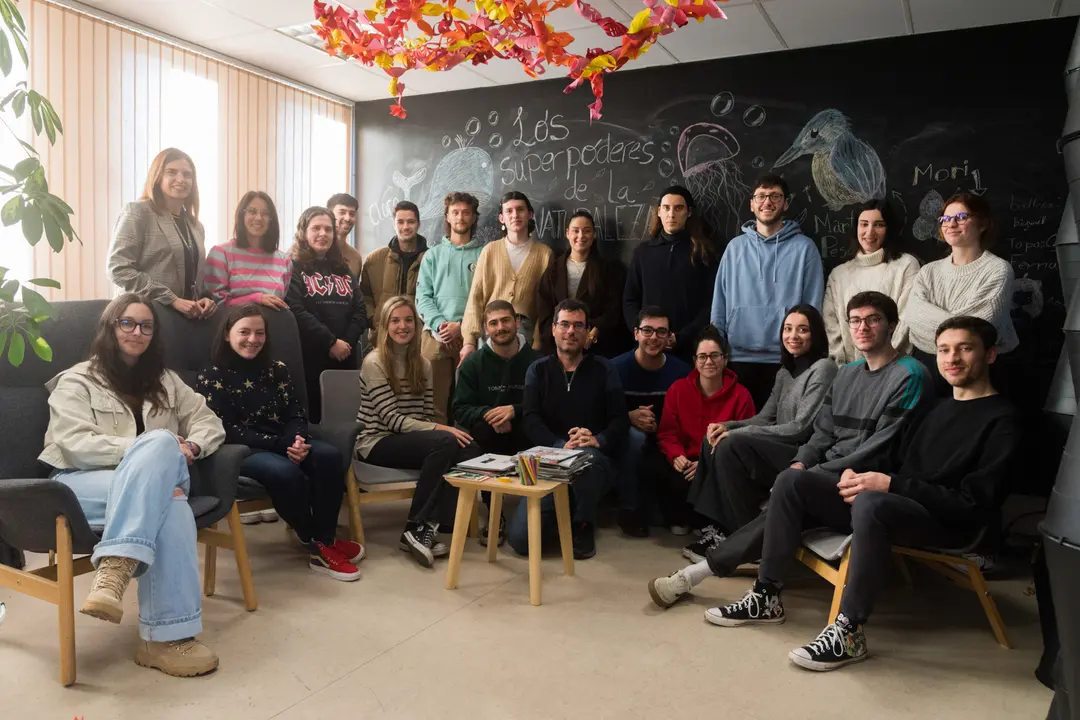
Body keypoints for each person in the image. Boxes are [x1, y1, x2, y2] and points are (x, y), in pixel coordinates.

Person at [697, 316, 1018, 672]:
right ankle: (767, 594)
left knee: (872, 501)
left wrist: (889, 484)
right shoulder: (935, 408)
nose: (952, 358)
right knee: (793, 481)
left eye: (965, 348)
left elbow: (973, 505)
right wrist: (860, 474)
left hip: (947, 522)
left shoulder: (1003, 421)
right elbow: (893, 459)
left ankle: (849, 630)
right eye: (944, 349)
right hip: (896, 503)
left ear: (990, 354)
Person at [649, 291, 934, 611]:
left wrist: (810, 474)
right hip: (827, 477)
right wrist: (801, 464)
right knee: (784, 480)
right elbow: (822, 434)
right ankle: (729, 578)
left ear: (892, 325)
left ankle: (711, 577)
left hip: (862, 484)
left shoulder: (909, 375)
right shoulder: (847, 374)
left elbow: (880, 449)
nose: (862, 327)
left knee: (788, 486)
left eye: (873, 320)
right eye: (855, 320)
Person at [40, 294, 226, 677]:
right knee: (162, 464)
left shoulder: (167, 382)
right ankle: (167, 635)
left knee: (172, 503)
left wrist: (191, 445)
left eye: (146, 325)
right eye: (127, 323)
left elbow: (210, 422)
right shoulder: (76, 381)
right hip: (78, 484)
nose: (136, 332)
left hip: (151, 490)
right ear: (110, 327)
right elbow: (74, 444)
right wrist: (147, 449)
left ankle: (119, 571)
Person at [196, 305, 363, 582]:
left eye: (259, 333)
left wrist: (296, 439)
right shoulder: (212, 375)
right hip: (242, 450)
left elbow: (296, 412)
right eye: (244, 332)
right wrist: (281, 446)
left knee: (330, 456)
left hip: (283, 441)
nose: (253, 339)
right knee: (285, 472)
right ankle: (315, 542)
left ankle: (325, 539)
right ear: (227, 335)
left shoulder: (277, 370)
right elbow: (226, 429)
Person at [682, 305, 835, 562]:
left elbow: (801, 427)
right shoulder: (785, 372)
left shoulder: (824, 368)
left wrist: (738, 435)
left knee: (732, 446)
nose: (793, 335)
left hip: (803, 453)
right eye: (788, 329)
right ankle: (721, 528)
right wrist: (726, 426)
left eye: (802, 329)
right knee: (714, 438)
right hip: (780, 447)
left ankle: (748, 545)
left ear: (816, 334)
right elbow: (764, 418)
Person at [355, 296, 481, 568]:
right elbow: (391, 420)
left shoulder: (422, 363)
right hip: (376, 441)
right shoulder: (373, 361)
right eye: (396, 320)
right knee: (445, 440)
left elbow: (424, 414)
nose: (403, 326)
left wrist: (438, 429)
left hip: (410, 439)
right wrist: (440, 428)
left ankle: (442, 522)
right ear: (385, 325)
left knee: (468, 446)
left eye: (409, 320)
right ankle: (416, 526)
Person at [516, 299, 629, 559]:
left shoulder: (604, 369)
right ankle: (563, 512)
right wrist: (559, 446)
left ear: (588, 331)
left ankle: (583, 524)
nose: (571, 331)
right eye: (564, 324)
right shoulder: (537, 370)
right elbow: (530, 419)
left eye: (578, 325)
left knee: (585, 460)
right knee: (522, 541)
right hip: (549, 462)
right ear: (553, 329)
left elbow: (620, 419)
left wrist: (597, 439)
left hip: (594, 460)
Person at [710, 173, 824, 409]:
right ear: (751, 204)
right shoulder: (735, 248)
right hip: (737, 358)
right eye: (761, 196)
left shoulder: (805, 248)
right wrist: (717, 348)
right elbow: (719, 302)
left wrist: (804, 353)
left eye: (774, 196)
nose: (767, 202)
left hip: (786, 359)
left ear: (785, 203)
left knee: (778, 431)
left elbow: (812, 308)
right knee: (737, 429)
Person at [894, 192, 1018, 395]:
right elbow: (914, 318)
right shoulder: (928, 272)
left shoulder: (998, 270)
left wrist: (934, 327)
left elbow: (980, 326)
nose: (951, 224)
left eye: (961, 217)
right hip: (928, 368)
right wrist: (958, 326)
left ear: (983, 224)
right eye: (945, 218)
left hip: (981, 369)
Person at [452, 300, 542, 547]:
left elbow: (547, 404)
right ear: (485, 329)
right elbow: (460, 409)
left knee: (540, 430)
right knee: (482, 432)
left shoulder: (537, 360)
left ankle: (534, 512)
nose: (500, 327)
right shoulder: (473, 363)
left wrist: (514, 410)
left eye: (505, 320)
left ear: (516, 322)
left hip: (527, 430)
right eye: (493, 323)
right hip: (490, 434)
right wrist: (490, 414)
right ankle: (495, 516)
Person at [649, 327, 755, 532]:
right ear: (695, 361)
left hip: (718, 465)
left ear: (725, 359)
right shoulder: (678, 390)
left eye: (715, 356)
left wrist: (706, 463)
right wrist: (676, 456)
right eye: (703, 356)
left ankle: (706, 524)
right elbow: (667, 433)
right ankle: (681, 519)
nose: (709, 362)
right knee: (658, 466)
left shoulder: (742, 395)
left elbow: (745, 439)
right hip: (685, 462)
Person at [107, 148, 216, 320]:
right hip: (141, 318)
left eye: (187, 175)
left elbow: (192, 277)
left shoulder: (196, 226)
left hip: (185, 321)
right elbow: (118, 269)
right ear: (158, 177)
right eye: (172, 172)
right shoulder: (138, 212)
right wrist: (170, 298)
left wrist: (205, 298)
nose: (180, 179)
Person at [611, 307, 690, 537]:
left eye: (661, 332)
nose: (654, 337)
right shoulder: (614, 368)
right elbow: (598, 413)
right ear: (636, 333)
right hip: (627, 441)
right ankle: (630, 509)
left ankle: (661, 507)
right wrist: (629, 416)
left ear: (669, 337)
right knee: (634, 438)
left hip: (667, 440)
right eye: (647, 330)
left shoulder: (682, 372)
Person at [286, 206, 368, 424]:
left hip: (345, 357)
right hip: (310, 359)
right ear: (303, 232)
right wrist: (330, 342)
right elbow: (296, 310)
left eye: (328, 229)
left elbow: (360, 309)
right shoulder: (292, 267)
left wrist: (345, 344)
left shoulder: (343, 269)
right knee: (313, 423)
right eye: (316, 228)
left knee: (344, 423)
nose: (323, 234)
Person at [624, 185, 716, 363]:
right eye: (666, 208)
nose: (671, 214)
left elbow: (710, 305)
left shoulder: (703, 254)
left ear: (689, 212)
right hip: (646, 350)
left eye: (678, 208)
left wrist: (681, 337)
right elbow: (629, 300)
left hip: (689, 349)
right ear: (658, 212)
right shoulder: (643, 253)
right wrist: (644, 333)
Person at [415, 192, 484, 424]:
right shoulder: (432, 256)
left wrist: (462, 327)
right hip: (437, 338)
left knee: (470, 402)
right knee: (433, 404)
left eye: (466, 213)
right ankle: (438, 450)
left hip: (472, 338)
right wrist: (441, 325)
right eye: (455, 212)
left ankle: (467, 453)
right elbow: (422, 297)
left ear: (474, 217)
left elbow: (488, 298)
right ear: (447, 216)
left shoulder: (485, 254)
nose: (460, 217)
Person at [823, 199, 920, 364]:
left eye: (879, 225)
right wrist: (844, 367)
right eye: (864, 224)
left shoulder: (906, 265)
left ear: (888, 229)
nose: (870, 231)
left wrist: (884, 362)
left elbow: (907, 319)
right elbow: (830, 324)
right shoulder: (838, 275)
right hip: (848, 370)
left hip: (894, 366)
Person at [460, 191, 552, 362]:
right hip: (491, 330)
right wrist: (469, 341)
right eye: (509, 211)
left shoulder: (544, 254)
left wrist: (538, 342)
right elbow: (476, 297)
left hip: (525, 333)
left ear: (530, 214)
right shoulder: (490, 251)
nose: (515, 215)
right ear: (502, 218)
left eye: (520, 210)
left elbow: (546, 304)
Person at [536, 210, 627, 358]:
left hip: (595, 349)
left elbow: (612, 311)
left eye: (586, 231)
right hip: (558, 351)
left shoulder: (608, 271)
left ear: (594, 234)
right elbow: (544, 310)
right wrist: (560, 337)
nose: (581, 236)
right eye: (575, 231)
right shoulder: (553, 270)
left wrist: (592, 334)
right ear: (567, 233)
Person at [204, 191, 292, 310]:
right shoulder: (220, 254)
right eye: (252, 211)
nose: (259, 218)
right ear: (242, 215)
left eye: (265, 213)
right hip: (232, 326)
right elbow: (216, 305)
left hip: (274, 326)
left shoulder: (284, 260)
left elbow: (282, 302)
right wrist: (256, 298)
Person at [361, 200, 428, 338]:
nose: (406, 227)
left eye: (411, 222)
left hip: (419, 339)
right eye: (400, 222)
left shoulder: (431, 258)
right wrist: (374, 321)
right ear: (394, 224)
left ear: (419, 224)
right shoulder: (375, 259)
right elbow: (364, 295)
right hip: (382, 336)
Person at [327, 192, 364, 277]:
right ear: (329, 215)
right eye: (342, 212)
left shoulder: (355, 257)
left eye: (352, 214)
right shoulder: (313, 251)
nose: (348, 218)